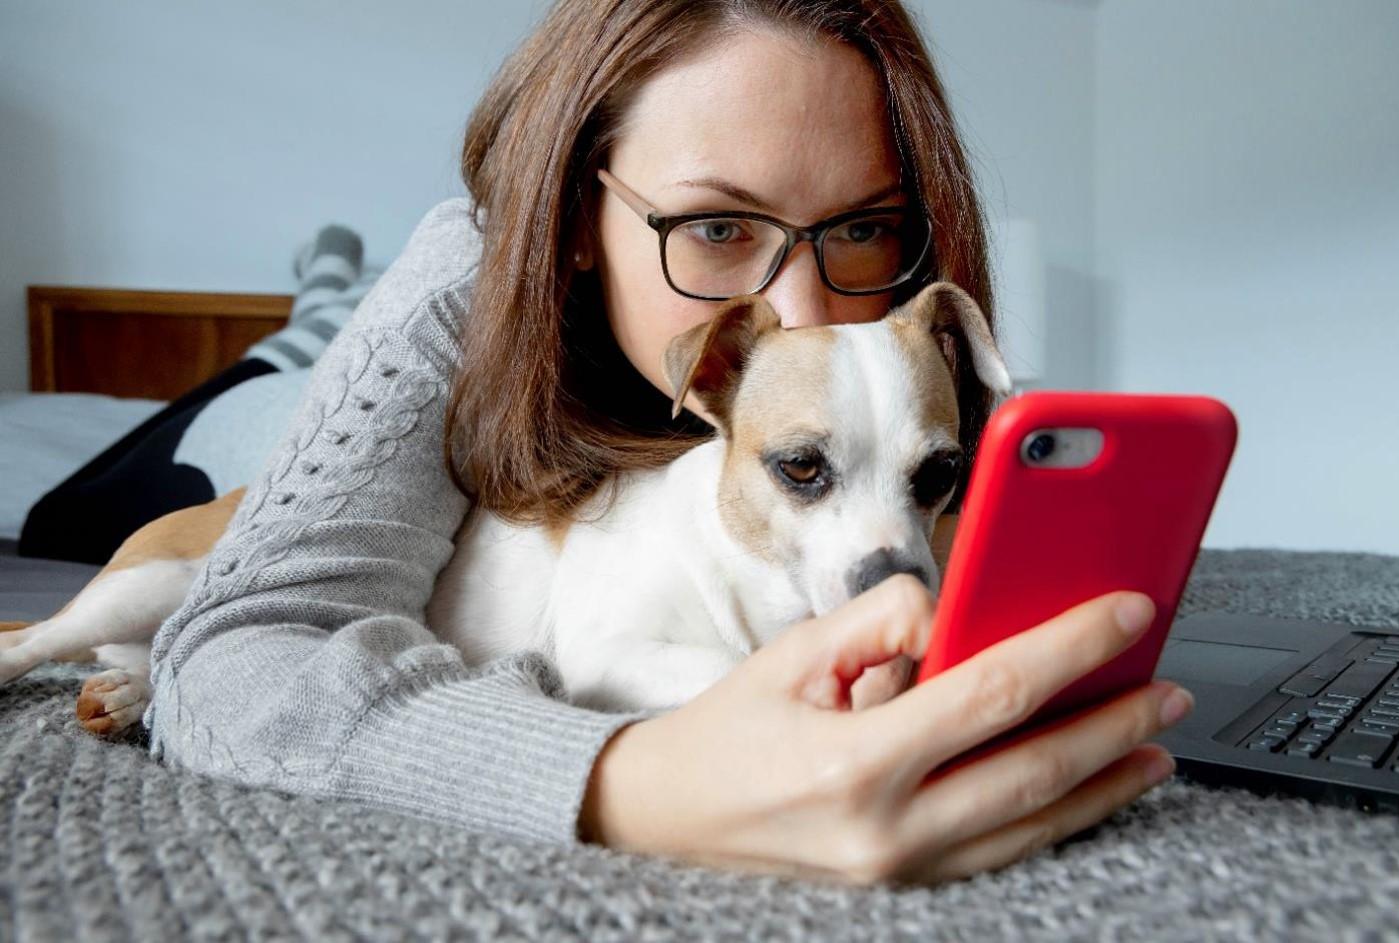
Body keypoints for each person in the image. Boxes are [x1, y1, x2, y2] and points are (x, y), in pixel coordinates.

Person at [145, 0, 1193, 887]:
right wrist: (630, 781)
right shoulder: (457, 293)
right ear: (567, 214)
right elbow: (231, 659)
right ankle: (318, 296)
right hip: (229, 431)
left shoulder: (903, 368)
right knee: (236, 422)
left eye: (863, 226)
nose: (803, 306)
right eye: (717, 226)